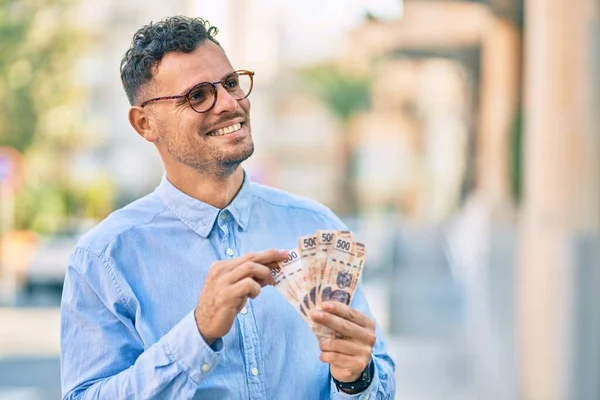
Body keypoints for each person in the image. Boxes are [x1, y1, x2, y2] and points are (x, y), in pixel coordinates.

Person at [60, 16, 395, 400]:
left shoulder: (317, 227)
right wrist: (198, 332)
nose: (230, 103)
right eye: (199, 95)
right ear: (144, 123)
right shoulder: (103, 258)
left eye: (231, 83)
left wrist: (356, 379)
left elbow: (379, 378)